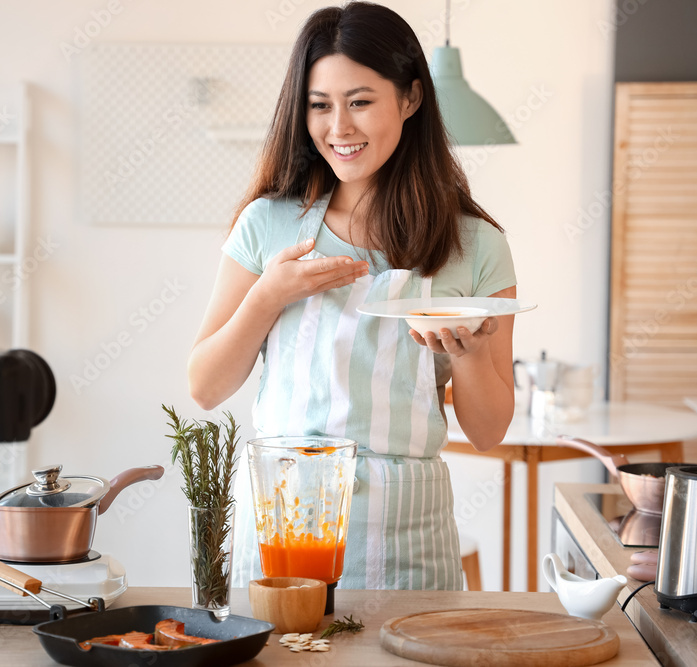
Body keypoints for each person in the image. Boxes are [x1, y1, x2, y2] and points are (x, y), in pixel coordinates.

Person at [187, 2, 517, 591]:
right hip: (285, 528)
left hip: (408, 535)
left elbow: (489, 430)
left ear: (411, 99)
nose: (338, 127)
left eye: (360, 101)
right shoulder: (268, 224)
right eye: (320, 106)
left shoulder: (477, 244)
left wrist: (466, 354)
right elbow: (205, 386)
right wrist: (268, 297)